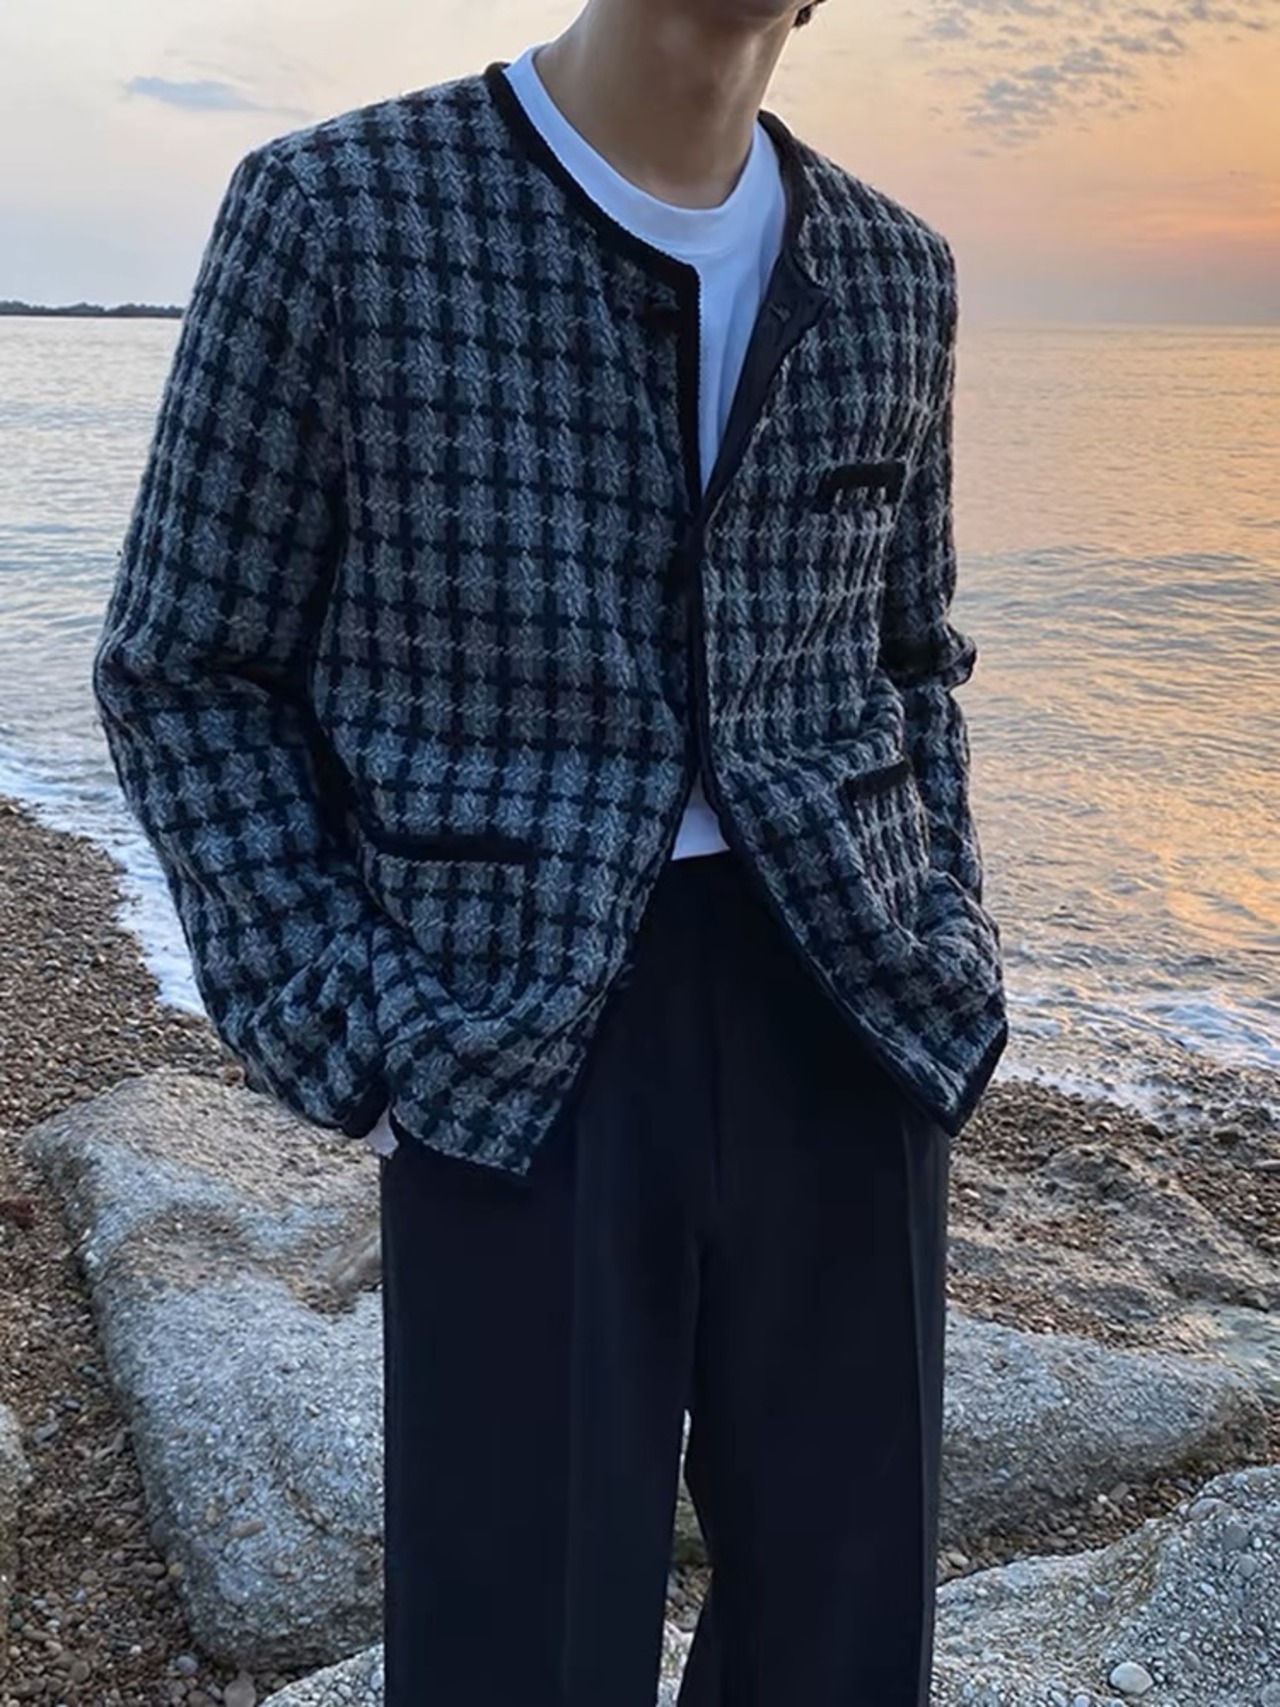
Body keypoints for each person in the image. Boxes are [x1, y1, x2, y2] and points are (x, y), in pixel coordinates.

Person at [92, 0, 1008, 1700]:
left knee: (844, 1638)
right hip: (508, 1038)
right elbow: (183, 666)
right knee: (518, 1644)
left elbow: (908, 656)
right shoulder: (342, 212)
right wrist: (342, 1030)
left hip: (848, 1013)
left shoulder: (896, 269)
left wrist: (949, 931)